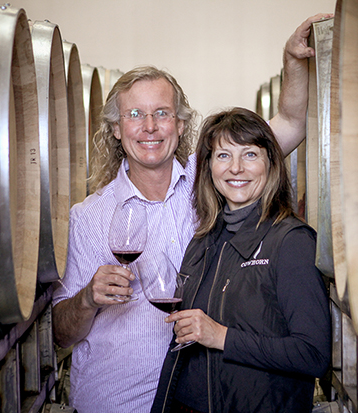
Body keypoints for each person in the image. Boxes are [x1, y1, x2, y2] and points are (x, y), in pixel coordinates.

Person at [52, 13, 332, 413]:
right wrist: (87, 300)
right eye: (134, 115)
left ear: (181, 125)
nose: (149, 127)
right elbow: (61, 334)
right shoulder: (88, 215)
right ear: (116, 129)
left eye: (162, 113)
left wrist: (292, 62)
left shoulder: (213, 183)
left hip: (194, 400)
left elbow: (288, 122)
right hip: (110, 403)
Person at [150, 107, 331, 413]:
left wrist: (221, 336)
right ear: (208, 168)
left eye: (249, 154)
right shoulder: (204, 239)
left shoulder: (291, 241)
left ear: (270, 163)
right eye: (223, 156)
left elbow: (312, 353)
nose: (235, 168)